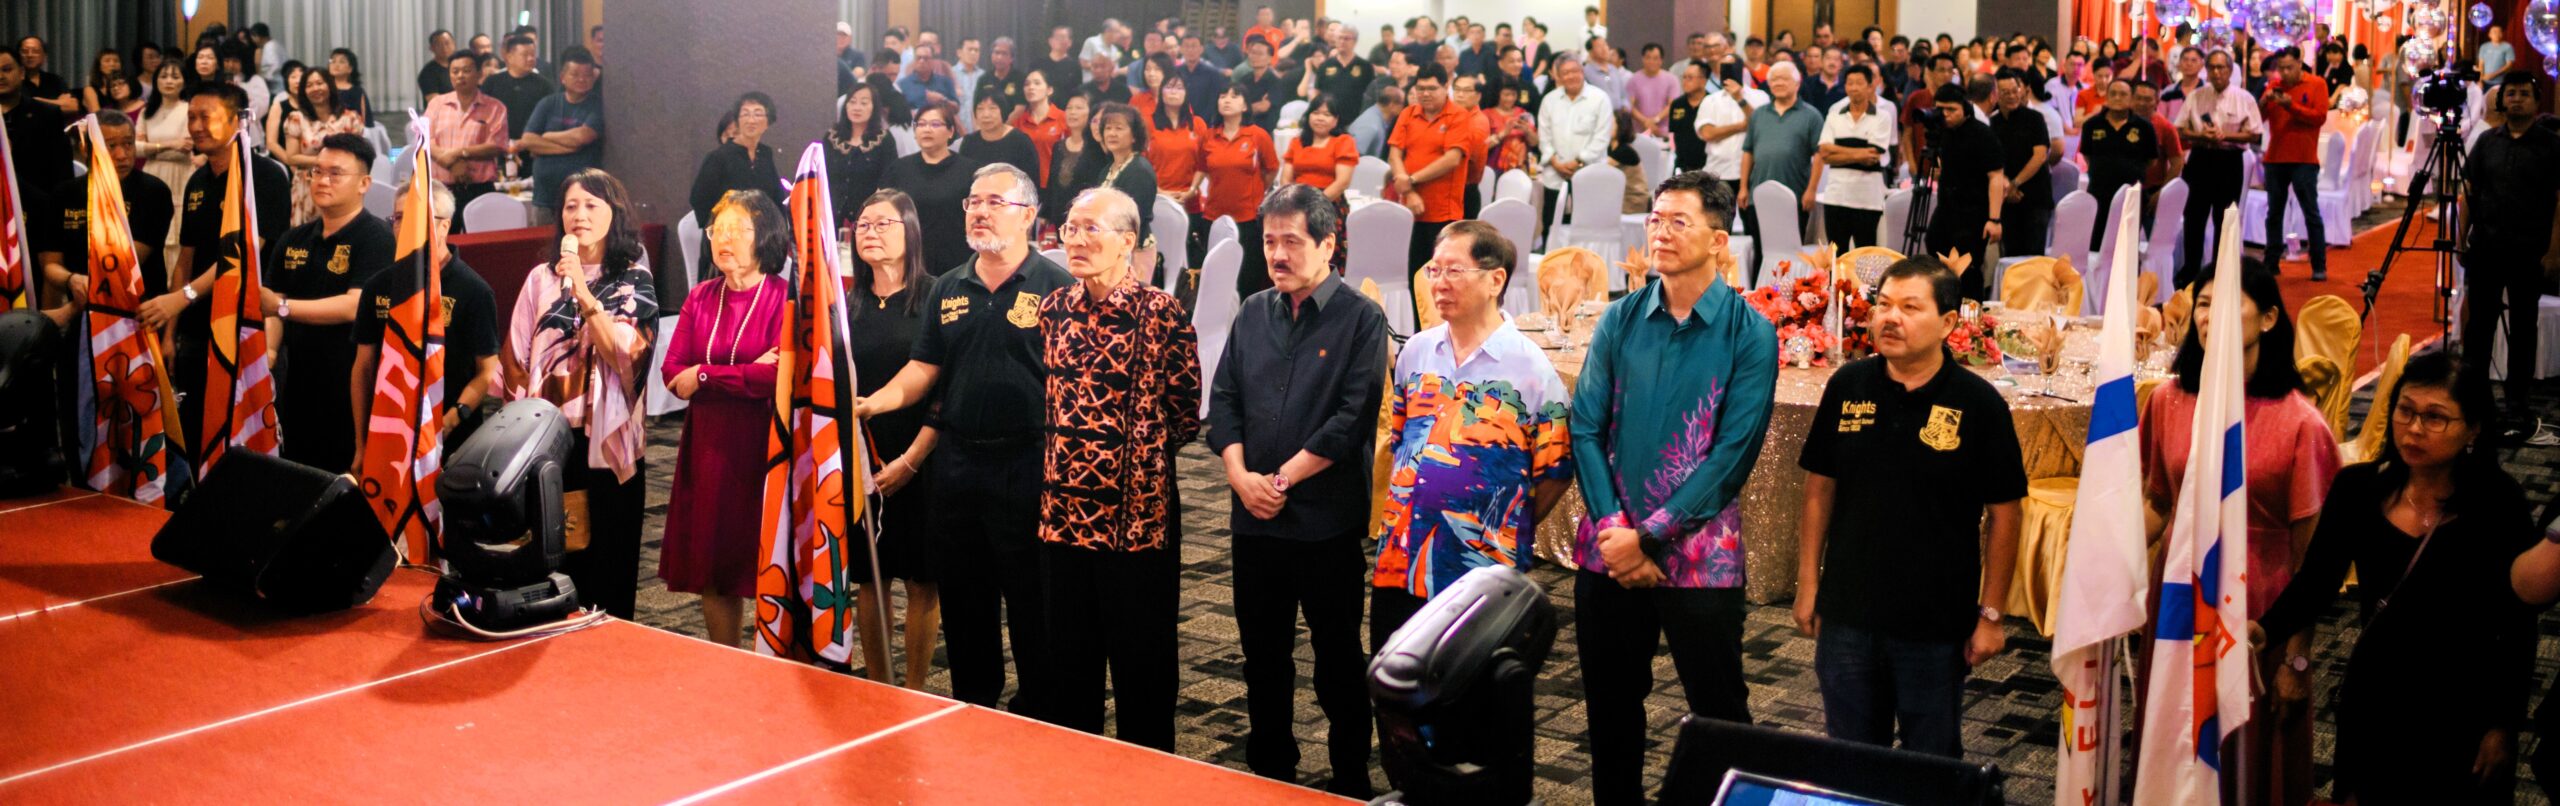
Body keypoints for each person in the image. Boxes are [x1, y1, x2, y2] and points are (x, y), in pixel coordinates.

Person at [2247, 348, 2536, 803]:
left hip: (2462, 702)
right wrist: (2265, 629)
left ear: (2474, 429)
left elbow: (2517, 624)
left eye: (2435, 417)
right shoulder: (2359, 488)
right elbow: (2317, 580)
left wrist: (2503, 724)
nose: (2414, 428)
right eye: (2405, 410)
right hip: (2376, 694)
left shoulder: (2499, 504)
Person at [1572, 173, 1775, 806]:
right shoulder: (1621, 317)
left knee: (1720, 716)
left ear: (1718, 240)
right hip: (1609, 552)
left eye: (1678, 221)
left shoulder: (1749, 332)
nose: (1660, 232)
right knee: (1609, 709)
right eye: (1655, 219)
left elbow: (1733, 454)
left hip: (1699, 557)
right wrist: (1616, 532)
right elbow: (1585, 427)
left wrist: (1651, 537)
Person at [852, 163, 1071, 719]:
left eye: (995, 202)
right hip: (957, 464)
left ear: (1028, 215)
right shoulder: (949, 286)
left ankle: (1040, 711)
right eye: (973, 201)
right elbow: (923, 368)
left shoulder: (1056, 286)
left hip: (1029, 463)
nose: (979, 211)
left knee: (1031, 600)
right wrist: (877, 401)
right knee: (965, 599)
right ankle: (973, 705)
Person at [1794, 256, 2023, 758]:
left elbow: (2006, 514)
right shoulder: (1848, 385)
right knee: (1851, 760)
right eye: (1883, 305)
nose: (1890, 318)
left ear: (1947, 322)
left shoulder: (1979, 403)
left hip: (1935, 622)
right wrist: (1808, 584)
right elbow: (1819, 489)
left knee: (1931, 763)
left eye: (1910, 308)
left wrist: (1991, 614)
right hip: (1848, 613)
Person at [1207, 183, 1387, 799]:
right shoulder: (1253, 311)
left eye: (1291, 241)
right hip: (1253, 517)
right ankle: (1272, 774)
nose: (1277, 254)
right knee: (1262, 655)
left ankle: (1349, 778)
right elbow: (1223, 401)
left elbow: (1351, 419)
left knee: (1338, 658)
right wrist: (1240, 478)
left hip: (1324, 520)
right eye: (1268, 242)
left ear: (1328, 245)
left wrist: (1280, 480)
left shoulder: (1361, 317)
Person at [2139, 258, 2339, 805]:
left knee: (2243, 755)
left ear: (2269, 319)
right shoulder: (2168, 400)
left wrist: (2297, 658)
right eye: (2204, 304)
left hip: (2256, 608)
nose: (2211, 316)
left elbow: (2313, 563)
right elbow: (2158, 503)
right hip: (2177, 595)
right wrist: (2110, 570)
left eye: (2229, 303)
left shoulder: (2300, 422)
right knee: (2173, 739)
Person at [1038, 185, 1202, 751]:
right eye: (1071, 228)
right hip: (1061, 515)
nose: (1076, 240)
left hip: (1136, 521)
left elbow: (1185, 414)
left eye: (1092, 229)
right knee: (1069, 665)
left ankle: (1149, 777)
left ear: (1128, 241)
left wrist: (1130, 455)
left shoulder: (1161, 313)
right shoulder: (1053, 309)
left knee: (1142, 668)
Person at [1373, 219, 1572, 644]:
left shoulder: (1530, 369)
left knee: (1470, 675)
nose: (1439, 282)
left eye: (1454, 270)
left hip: (1479, 568)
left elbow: (1555, 472)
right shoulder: (1416, 352)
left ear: (1495, 280)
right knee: (1396, 669)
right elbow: (1402, 441)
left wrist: (1506, 524)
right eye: (1434, 270)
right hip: (1401, 558)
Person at [500, 169, 658, 620]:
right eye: (571, 206)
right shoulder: (540, 279)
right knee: (550, 560)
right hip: (547, 441)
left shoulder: (633, 280)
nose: (580, 215)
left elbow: (628, 357)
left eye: (592, 205)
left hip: (605, 446)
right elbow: (514, 360)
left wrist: (586, 295)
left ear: (615, 213)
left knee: (606, 566)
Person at [657, 190, 787, 648]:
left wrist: (705, 375)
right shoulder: (701, 297)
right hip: (708, 447)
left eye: (737, 229)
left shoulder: (784, 298)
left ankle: (775, 660)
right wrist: (739, 374)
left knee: (769, 560)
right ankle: (727, 660)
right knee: (714, 567)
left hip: (764, 444)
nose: (723, 239)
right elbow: (671, 373)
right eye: (718, 230)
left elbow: (775, 377)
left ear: (764, 236)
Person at [133, 83, 291, 457]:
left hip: (246, 325)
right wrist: (171, 332)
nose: (196, 126)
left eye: (207, 117)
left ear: (238, 121)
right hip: (196, 327)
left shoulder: (266, 176)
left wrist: (182, 297)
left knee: (246, 445)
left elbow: (242, 254)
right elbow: (185, 261)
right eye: (191, 117)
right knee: (194, 435)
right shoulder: (197, 181)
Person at [842, 190, 942, 688]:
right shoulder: (845, 303)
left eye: (884, 224)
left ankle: (917, 687)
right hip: (860, 457)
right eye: (863, 225)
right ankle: (879, 686)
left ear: (911, 232)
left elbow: (945, 388)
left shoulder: (937, 296)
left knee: (923, 578)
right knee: (870, 576)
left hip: (922, 453)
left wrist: (913, 458)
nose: (871, 232)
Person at [254, 133, 393, 472]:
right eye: (317, 171)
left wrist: (283, 308)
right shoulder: (294, 238)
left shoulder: (376, 238)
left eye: (335, 173)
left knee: (345, 476)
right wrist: (269, 354)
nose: (322, 181)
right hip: (299, 379)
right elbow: (272, 303)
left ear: (364, 184)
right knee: (298, 471)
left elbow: (353, 306)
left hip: (352, 381)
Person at [350, 178, 501, 461]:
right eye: (398, 218)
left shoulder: (474, 290)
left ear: (445, 226)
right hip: (390, 433)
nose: (406, 226)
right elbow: (363, 368)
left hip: (454, 440)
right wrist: (361, 443)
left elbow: (487, 372)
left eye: (418, 217)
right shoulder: (378, 287)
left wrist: (451, 419)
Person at [2460, 72, 2560, 443]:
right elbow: (2469, 192)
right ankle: (2475, 405)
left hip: (2528, 252)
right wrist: (2460, 238)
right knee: (2478, 330)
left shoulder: (2551, 145)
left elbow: (2559, 202)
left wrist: (2554, 251)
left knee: (2522, 331)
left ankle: (2517, 405)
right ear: (2502, 101)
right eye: (2511, 93)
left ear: (2536, 101)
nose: (2516, 99)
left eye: (2524, 94)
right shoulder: (2486, 141)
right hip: (2485, 249)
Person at [35, 111, 172, 329]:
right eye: (111, 146)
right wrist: (71, 279)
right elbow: (51, 264)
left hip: (137, 316)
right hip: (81, 315)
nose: (122, 155)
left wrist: (72, 306)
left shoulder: (152, 191)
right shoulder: (65, 194)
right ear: (85, 148)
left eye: (128, 144)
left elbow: (124, 266)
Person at [1390, 64, 1485, 277]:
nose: (1425, 94)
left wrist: (1411, 179)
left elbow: (1452, 159)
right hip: (1410, 209)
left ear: (1445, 86)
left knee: (1440, 276)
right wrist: (1409, 191)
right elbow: (1395, 155)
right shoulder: (1408, 114)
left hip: (1443, 212)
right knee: (1413, 275)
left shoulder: (1458, 116)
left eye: (1432, 88)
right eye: (1420, 88)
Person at [2174, 49, 2258, 289]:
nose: (2217, 72)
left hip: (2229, 160)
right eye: (2212, 67)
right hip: (2201, 157)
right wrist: (2201, 135)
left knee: (2225, 219)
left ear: (2230, 70)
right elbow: (2180, 129)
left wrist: (2225, 135)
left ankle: (2220, 274)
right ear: (2206, 70)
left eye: (2221, 67)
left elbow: (2254, 134)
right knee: (2194, 217)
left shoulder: (2244, 98)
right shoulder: (2197, 96)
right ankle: (2191, 273)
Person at [1923, 82, 2006, 301]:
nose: (1945, 115)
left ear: (1965, 108)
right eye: (1940, 109)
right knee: (1934, 251)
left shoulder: (1983, 134)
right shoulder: (1942, 132)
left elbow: (1996, 177)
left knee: (1967, 268)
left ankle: (1972, 312)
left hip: (1973, 212)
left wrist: (1994, 219)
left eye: (1951, 109)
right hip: (1946, 208)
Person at [882, 100, 986, 273]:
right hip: (910, 262)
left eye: (935, 124)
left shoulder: (971, 171)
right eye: (921, 124)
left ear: (951, 131)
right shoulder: (899, 169)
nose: (927, 129)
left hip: (958, 263)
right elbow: (883, 211)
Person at [688, 92, 784, 277]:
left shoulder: (765, 155)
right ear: (738, 120)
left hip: (760, 243)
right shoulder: (719, 157)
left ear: (768, 121)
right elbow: (699, 199)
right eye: (745, 114)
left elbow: (775, 200)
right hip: (726, 244)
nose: (751, 119)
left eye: (758, 113)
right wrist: (722, 231)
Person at [1737, 62, 1821, 259]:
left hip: (1796, 195)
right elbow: (1748, 152)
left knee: (1791, 253)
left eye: (1784, 79)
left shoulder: (1811, 115)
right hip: (1758, 195)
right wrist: (1743, 187)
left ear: (1797, 83)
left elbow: (1820, 155)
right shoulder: (1758, 114)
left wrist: (1811, 190)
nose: (1778, 83)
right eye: (1774, 79)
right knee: (1761, 252)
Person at [2259, 50, 2329, 280]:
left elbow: (2319, 117)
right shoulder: (2274, 86)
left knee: (2310, 212)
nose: (2285, 72)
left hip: (2304, 159)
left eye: (2289, 67)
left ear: (2300, 63)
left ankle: (2318, 265)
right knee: (2274, 214)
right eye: (2281, 68)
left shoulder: (2316, 84)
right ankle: (2271, 262)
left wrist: (2291, 106)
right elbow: (2258, 119)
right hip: (2275, 158)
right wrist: (2264, 102)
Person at [516, 47, 604, 227]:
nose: (581, 79)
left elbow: (582, 137)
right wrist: (569, 147)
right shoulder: (548, 103)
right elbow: (527, 140)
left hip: (582, 196)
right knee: (543, 243)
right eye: (575, 74)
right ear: (563, 77)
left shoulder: (597, 105)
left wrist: (547, 136)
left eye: (587, 75)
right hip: (545, 197)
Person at [424, 51, 510, 229]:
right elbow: (424, 139)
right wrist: (451, 163)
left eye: (466, 70)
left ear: (479, 74)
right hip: (441, 190)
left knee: (483, 242)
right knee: (442, 242)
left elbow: (497, 145)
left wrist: (459, 153)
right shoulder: (437, 104)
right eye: (455, 71)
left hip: (479, 188)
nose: (460, 76)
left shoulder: (495, 107)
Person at [1811, 65, 1894, 250]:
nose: (1854, 87)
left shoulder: (1882, 116)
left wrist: (1836, 152)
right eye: (1850, 83)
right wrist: (1860, 153)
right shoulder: (1835, 114)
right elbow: (1824, 153)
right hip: (1836, 196)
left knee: (1865, 255)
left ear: (1870, 86)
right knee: (1836, 254)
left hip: (1868, 199)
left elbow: (1874, 156)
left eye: (1859, 83)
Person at [1538, 53, 1615, 241]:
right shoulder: (1549, 100)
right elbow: (1544, 136)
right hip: (1555, 173)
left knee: (1587, 228)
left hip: (1589, 173)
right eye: (1566, 73)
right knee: (1551, 224)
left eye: (1575, 71)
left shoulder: (1599, 98)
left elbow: (1601, 138)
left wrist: (1578, 162)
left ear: (1582, 71)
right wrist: (1555, 162)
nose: (1571, 76)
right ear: (1558, 76)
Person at [2079, 79, 2158, 251]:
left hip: (2131, 196)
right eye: (2113, 93)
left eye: (2123, 94)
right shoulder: (2091, 125)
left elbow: (2151, 160)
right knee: (2097, 245)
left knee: (2126, 248)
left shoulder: (2144, 127)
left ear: (2131, 98)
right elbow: (2087, 155)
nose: (2117, 98)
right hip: (2099, 193)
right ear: (2106, 97)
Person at [134, 62, 195, 264]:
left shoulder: (188, 109)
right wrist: (169, 144)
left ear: (184, 82)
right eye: (164, 76)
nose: (169, 81)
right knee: (148, 230)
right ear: (156, 80)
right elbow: (136, 148)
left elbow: (185, 146)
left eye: (175, 77)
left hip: (180, 173)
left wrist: (152, 147)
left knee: (177, 234)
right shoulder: (147, 111)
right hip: (152, 172)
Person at [1990, 70, 2054, 259]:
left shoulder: (2035, 119)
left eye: (2015, 90)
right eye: (2005, 92)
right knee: (2010, 256)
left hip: (2035, 197)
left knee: (2033, 257)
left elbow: (2040, 156)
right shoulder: (1993, 122)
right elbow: (1991, 160)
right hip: (2007, 199)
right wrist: (2006, 186)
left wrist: (2015, 183)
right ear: (1996, 95)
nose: (2012, 96)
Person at [828, 85, 901, 228]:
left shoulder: (884, 140)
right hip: (832, 216)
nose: (857, 108)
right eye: (852, 102)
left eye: (864, 103)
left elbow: (890, 179)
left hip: (870, 217)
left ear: (874, 107)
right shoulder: (832, 138)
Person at [1280, 94, 1356, 204]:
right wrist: (1294, 203)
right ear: (1308, 116)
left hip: (1329, 202)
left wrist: (1315, 205)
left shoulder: (1344, 142)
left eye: (1327, 114)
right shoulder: (1297, 142)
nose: (1320, 118)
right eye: (1315, 113)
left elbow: (1342, 182)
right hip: (1297, 201)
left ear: (1336, 120)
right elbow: (1285, 179)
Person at [481, 34, 556, 146]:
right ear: (509, 57)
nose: (530, 59)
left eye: (533, 54)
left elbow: (550, 118)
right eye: (525, 55)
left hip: (531, 145)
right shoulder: (492, 82)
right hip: (495, 144)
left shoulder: (544, 85)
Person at [1042, 92, 1100, 228]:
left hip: (1086, 220)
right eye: (1069, 108)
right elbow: (1052, 184)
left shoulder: (1097, 148)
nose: (1072, 112)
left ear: (1091, 114)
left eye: (1079, 108)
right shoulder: (1058, 146)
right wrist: (1045, 215)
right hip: (1059, 219)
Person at [1307, 22, 1379, 127]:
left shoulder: (1365, 67)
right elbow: (1317, 92)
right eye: (1339, 38)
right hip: (1330, 122)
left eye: (1346, 38)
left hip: (1356, 122)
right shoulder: (1325, 66)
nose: (1342, 42)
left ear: (1355, 41)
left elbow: (1373, 96)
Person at [961, 93, 1041, 184]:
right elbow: (963, 179)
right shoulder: (969, 142)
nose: (986, 115)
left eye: (992, 108)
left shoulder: (1020, 141)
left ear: (1003, 111)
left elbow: (1031, 181)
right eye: (980, 109)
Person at [1011, 70, 1070, 182]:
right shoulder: (1018, 123)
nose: (1031, 87)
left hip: (1056, 182)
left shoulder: (1064, 119)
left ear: (1049, 90)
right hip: (1027, 183)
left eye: (1037, 83)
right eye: (1027, 84)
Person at [14, 36, 77, 115]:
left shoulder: (55, 80)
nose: (30, 55)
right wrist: (59, 103)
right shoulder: (14, 81)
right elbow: (22, 107)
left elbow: (73, 107)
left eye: (35, 51)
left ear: (44, 56)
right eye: (25, 51)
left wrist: (36, 101)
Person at [1235, 38, 1287, 132]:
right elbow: (1236, 104)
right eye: (1252, 53)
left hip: (1265, 129)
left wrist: (1242, 108)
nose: (1254, 56)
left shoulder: (1275, 81)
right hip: (1244, 127)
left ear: (1270, 58)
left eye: (1259, 54)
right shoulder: (1244, 79)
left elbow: (1263, 107)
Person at [1346, 84, 1404, 158]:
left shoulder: (1379, 120)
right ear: (1392, 105)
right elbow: (1351, 155)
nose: (1404, 107)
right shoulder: (1370, 125)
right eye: (1402, 103)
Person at [322, 49, 372, 125]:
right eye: (333, 61)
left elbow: (366, 118)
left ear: (350, 69)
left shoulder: (357, 92)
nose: (336, 65)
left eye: (342, 62)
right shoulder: (323, 88)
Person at [419, 30, 458, 100]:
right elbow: (434, 101)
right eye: (439, 45)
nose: (444, 48)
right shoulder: (428, 73)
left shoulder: (461, 65)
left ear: (454, 44)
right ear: (431, 48)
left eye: (447, 43)